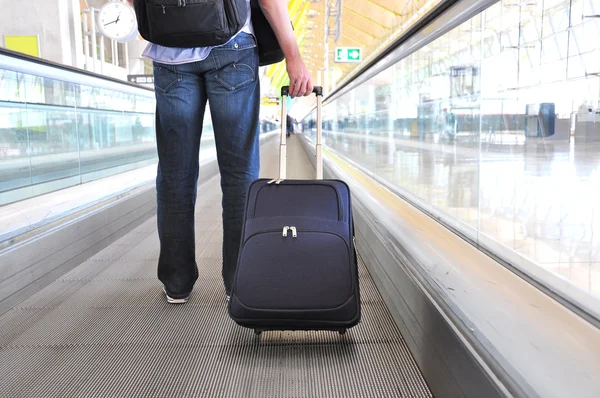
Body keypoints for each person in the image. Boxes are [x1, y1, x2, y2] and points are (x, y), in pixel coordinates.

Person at [129, 0, 313, 304]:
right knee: (239, 173)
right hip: (232, 48)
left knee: (175, 173)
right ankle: (238, 281)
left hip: (169, 53)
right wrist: (294, 57)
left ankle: (177, 282)